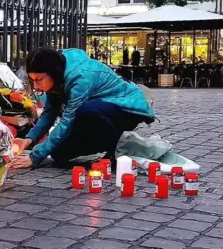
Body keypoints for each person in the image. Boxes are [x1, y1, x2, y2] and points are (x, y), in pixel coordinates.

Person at [10, 47, 155, 169]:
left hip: (126, 108)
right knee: (58, 154)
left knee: (85, 111)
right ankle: (103, 141)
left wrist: (34, 157)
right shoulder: (57, 75)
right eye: (32, 80)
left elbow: (68, 120)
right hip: (98, 110)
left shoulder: (81, 78)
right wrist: (29, 139)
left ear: (53, 73)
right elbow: (49, 112)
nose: (35, 86)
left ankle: (116, 148)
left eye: (39, 80)